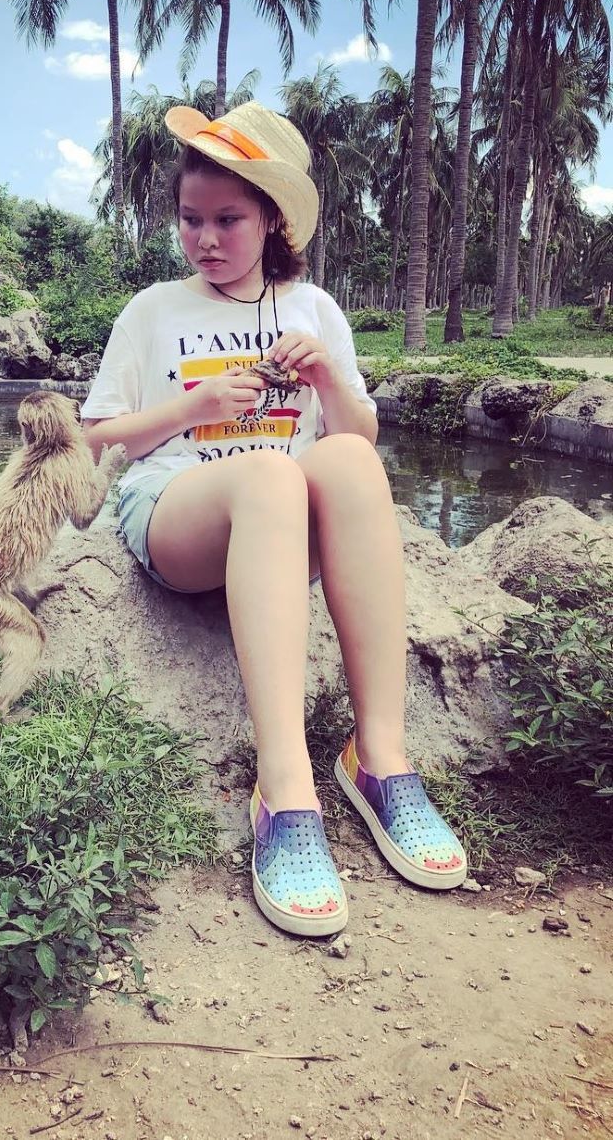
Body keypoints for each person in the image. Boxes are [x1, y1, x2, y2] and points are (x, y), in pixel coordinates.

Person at [80, 100, 466, 938]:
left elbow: (358, 439)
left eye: (228, 220)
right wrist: (195, 407)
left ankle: (379, 758)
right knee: (268, 475)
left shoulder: (313, 308)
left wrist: (325, 377)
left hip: (284, 525)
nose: (205, 238)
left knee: (347, 462)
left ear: (272, 222)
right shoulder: (154, 311)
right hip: (180, 510)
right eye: (191, 219)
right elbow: (97, 436)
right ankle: (285, 787)